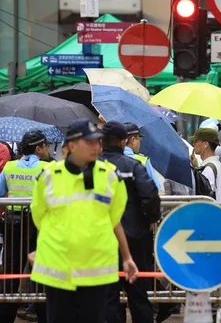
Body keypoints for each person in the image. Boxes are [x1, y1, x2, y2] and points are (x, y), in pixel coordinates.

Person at [29, 118, 138, 323]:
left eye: (98, 141)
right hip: (58, 270)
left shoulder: (110, 177)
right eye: (89, 142)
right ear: (71, 145)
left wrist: (127, 257)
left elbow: (114, 219)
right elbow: (39, 216)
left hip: (95, 270)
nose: (96, 146)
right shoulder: (49, 177)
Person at [99, 121, 162, 323]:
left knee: (109, 297)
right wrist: (149, 221)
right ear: (123, 141)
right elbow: (151, 196)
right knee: (138, 296)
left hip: (102, 239)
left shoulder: (94, 167)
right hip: (135, 238)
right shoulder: (133, 166)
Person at [0, 130, 50, 323]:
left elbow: (1, 190)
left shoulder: (10, 167)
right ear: (39, 148)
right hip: (39, 225)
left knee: (11, 274)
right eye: (46, 146)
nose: (47, 150)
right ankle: (44, 317)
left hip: (13, 224)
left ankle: (5, 317)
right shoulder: (47, 169)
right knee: (41, 273)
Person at [190, 128, 221, 201]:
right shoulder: (216, 164)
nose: (193, 144)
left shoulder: (209, 168)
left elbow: (205, 195)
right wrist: (196, 166)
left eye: (196, 141)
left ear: (205, 144)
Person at [123, 122, 162, 191]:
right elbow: (156, 188)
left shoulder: (109, 159)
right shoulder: (143, 161)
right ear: (133, 140)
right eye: (139, 139)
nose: (140, 143)